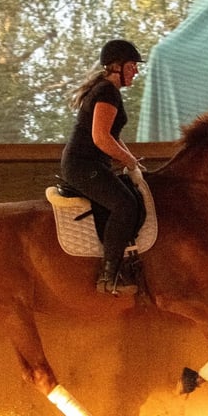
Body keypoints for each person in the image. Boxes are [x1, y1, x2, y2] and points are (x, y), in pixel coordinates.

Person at [61, 39, 146, 295]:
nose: (136, 72)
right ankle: (110, 276)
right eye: (132, 66)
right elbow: (100, 138)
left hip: (93, 164)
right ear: (117, 67)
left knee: (133, 196)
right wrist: (128, 161)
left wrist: (133, 161)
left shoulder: (109, 92)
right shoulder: (106, 92)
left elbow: (113, 135)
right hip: (83, 165)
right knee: (125, 205)